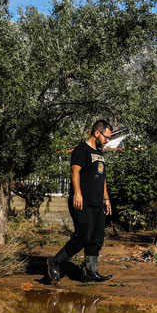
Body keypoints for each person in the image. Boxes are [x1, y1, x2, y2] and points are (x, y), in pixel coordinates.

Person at [46, 120, 114, 284]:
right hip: (82, 201)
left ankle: (91, 272)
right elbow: (74, 171)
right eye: (106, 137)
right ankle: (55, 261)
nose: (107, 141)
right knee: (84, 235)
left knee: (97, 237)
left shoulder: (100, 153)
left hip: (98, 202)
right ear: (97, 133)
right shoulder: (81, 150)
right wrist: (77, 194)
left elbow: (102, 178)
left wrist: (106, 199)